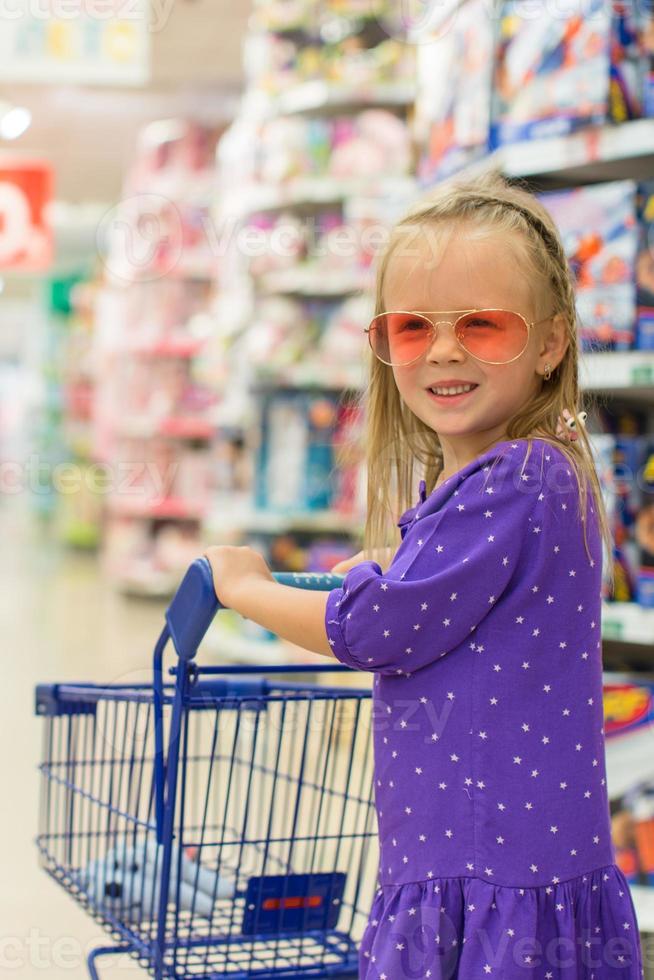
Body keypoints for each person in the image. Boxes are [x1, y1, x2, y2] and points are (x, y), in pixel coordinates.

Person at [205, 173, 643, 978]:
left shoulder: (515, 478)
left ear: (550, 343)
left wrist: (245, 590)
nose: (444, 350)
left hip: (484, 860)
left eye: (482, 325)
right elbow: (466, 591)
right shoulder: (535, 475)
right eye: (413, 328)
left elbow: (375, 630)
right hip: (512, 857)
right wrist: (396, 562)